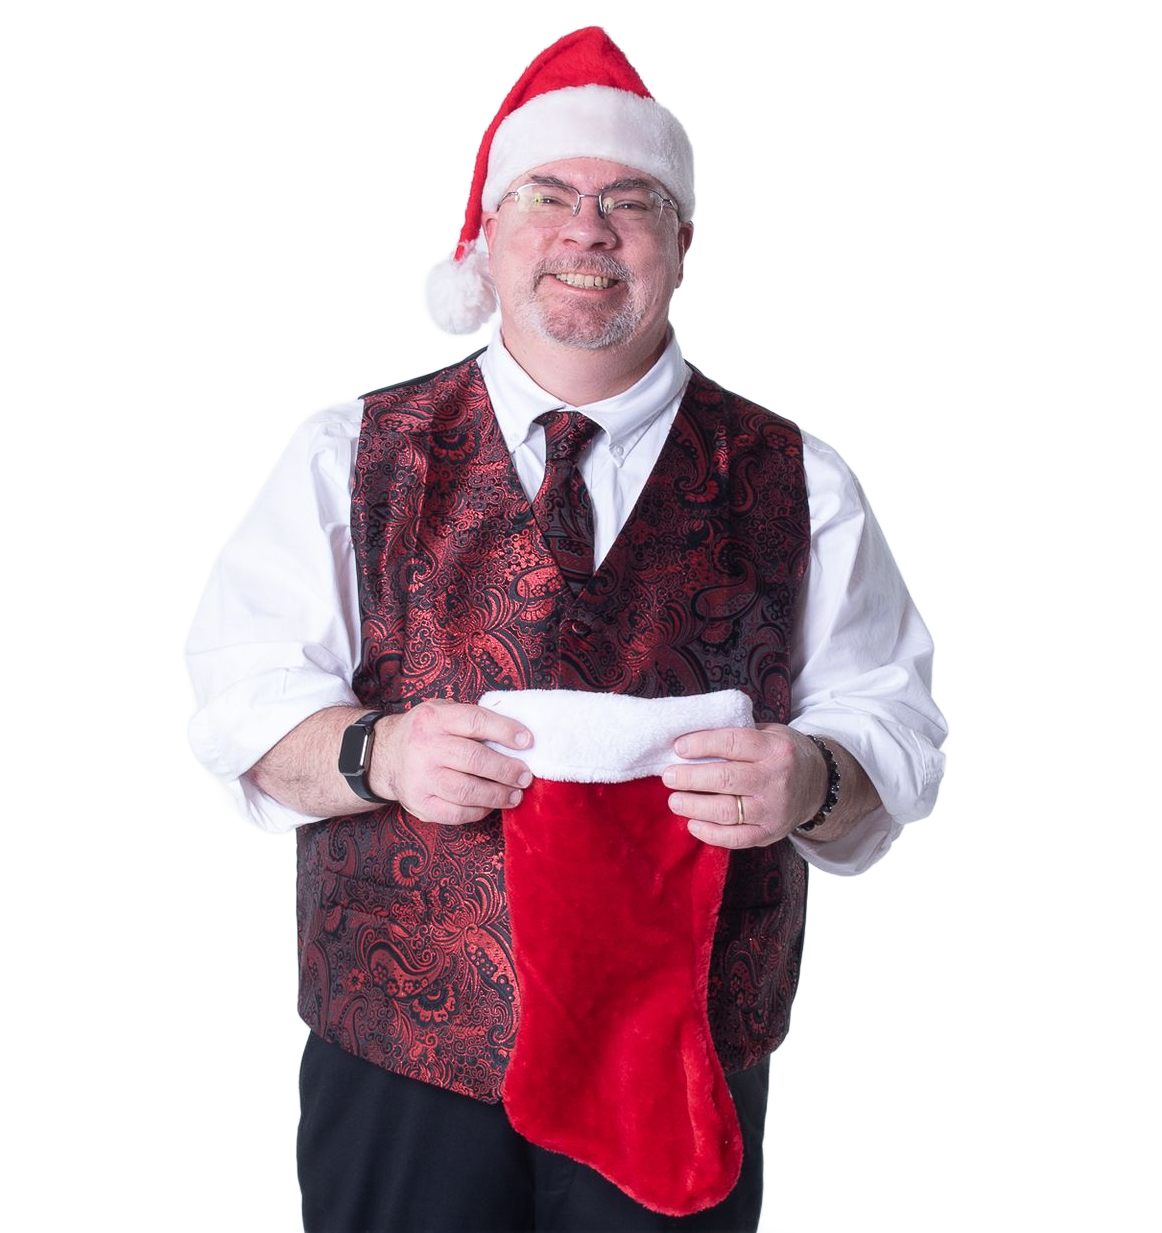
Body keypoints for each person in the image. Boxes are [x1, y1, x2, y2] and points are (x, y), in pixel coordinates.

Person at [180, 23, 949, 1233]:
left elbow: (896, 731)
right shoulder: (347, 451)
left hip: (683, 1050)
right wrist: (373, 753)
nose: (586, 232)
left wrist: (808, 776)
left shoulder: (798, 476)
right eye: (547, 195)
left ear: (681, 244)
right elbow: (231, 704)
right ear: (486, 236)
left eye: (629, 201)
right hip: (405, 1064)